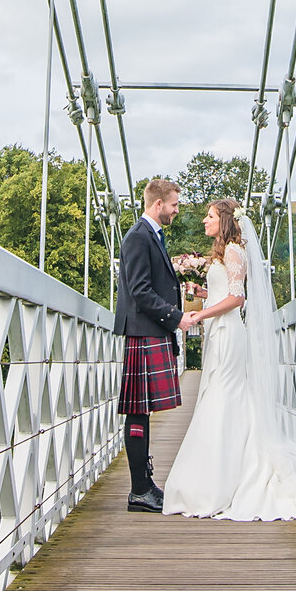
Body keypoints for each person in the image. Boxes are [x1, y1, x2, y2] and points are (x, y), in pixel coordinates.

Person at [161, 197, 296, 521]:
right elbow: (224, 292)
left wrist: (201, 314)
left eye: (210, 215)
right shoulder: (224, 252)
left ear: (225, 220)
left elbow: (237, 298)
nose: (205, 220)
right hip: (221, 332)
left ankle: (222, 482)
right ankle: (223, 474)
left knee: (223, 397)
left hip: (229, 334)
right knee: (225, 396)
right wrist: (202, 295)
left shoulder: (233, 251)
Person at [113, 175, 184, 512]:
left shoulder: (150, 236)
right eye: (174, 204)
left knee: (141, 411)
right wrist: (175, 316)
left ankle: (144, 484)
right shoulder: (138, 237)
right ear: (158, 204)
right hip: (144, 330)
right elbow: (140, 291)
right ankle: (139, 489)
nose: (176, 210)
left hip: (149, 331)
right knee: (137, 412)